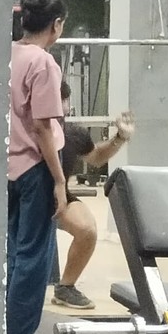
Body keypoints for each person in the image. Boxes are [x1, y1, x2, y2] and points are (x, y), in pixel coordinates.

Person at [4, 0, 67, 334]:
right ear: (56, 25)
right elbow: (43, 126)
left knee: (13, 255)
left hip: (7, 168)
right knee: (33, 259)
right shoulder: (43, 62)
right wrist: (59, 181)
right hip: (35, 169)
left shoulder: (7, 55)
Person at [51, 80, 134, 311]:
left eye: (65, 100)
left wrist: (120, 137)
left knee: (86, 230)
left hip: (59, 198)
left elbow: (96, 157)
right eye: (59, 100)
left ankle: (65, 288)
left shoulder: (73, 134)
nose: (63, 107)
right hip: (27, 196)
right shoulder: (27, 132)